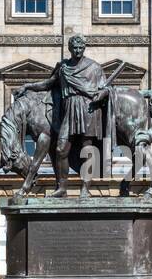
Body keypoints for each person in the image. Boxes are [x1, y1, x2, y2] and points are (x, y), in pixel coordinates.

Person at [15, 35, 110, 198]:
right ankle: (62, 187)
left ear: (84, 48)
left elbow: (107, 89)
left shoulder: (94, 67)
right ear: (70, 49)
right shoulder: (63, 67)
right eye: (75, 48)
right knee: (60, 149)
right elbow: (47, 84)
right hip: (69, 109)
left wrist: (102, 94)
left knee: (87, 149)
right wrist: (28, 86)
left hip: (88, 109)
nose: (78, 51)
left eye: (81, 48)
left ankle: (85, 188)